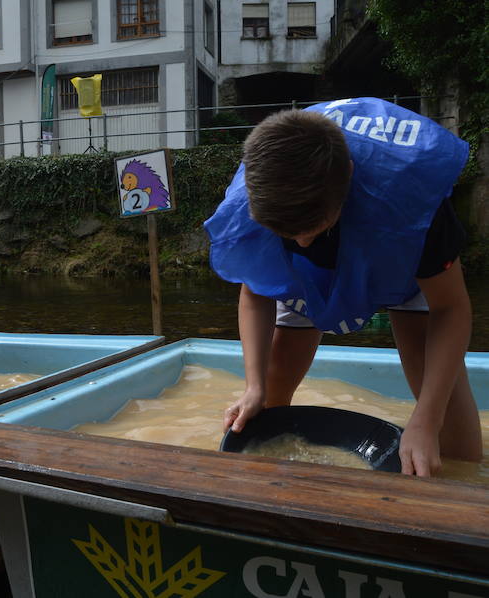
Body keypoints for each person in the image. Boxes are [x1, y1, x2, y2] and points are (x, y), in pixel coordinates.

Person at [205, 97, 482, 477]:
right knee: (266, 407)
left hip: (393, 252)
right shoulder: (259, 192)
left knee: (461, 453)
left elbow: (451, 308)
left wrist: (426, 420)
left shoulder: (412, 199)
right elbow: (256, 289)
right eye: (289, 235)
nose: (302, 243)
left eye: (312, 230)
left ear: (349, 175)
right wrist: (253, 387)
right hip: (302, 271)